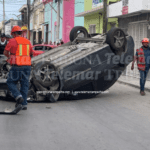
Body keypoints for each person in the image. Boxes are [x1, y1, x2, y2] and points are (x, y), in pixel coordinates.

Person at [3, 26, 38, 110]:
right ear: (21, 33)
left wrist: (9, 57)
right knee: (25, 85)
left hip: (17, 66)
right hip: (27, 66)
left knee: (10, 82)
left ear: (14, 34)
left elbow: (5, 52)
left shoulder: (12, 41)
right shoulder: (28, 41)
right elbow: (32, 53)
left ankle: (18, 96)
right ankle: (24, 104)